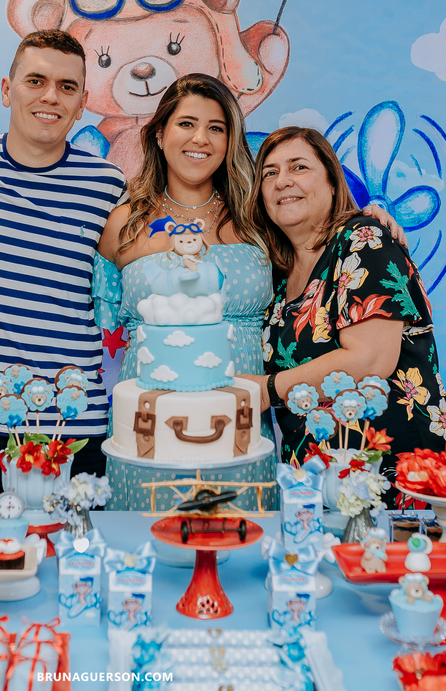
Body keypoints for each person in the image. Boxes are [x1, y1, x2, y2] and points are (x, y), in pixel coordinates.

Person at [93, 75, 405, 510]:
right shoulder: (121, 225)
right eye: (186, 124)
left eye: (216, 128)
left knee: (240, 536)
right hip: (149, 425)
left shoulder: (258, 219)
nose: (200, 138)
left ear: (230, 141)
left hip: (242, 420)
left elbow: (319, 250)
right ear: (159, 134)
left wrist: (368, 218)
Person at [0, 30, 126, 510]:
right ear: (6, 89)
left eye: (67, 87)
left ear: (83, 103)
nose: (50, 96)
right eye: (35, 80)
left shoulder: (108, 184)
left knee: (72, 551)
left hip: (71, 428)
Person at [241, 126, 446, 489]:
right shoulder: (277, 275)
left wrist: (265, 390)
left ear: (333, 183)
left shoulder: (364, 239)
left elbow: (371, 359)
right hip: (315, 479)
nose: (282, 181)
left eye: (299, 167)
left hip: (392, 471)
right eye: (270, 173)